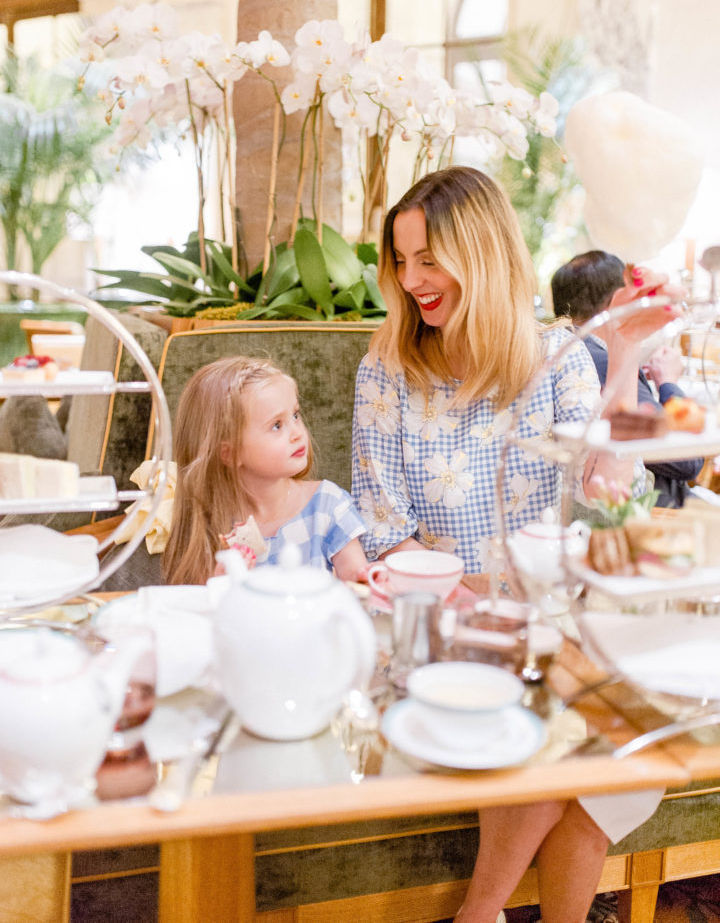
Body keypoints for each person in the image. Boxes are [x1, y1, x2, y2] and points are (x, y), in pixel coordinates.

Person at [351, 166, 682, 923]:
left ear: (484, 254)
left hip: (555, 608)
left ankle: (483, 916)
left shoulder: (559, 357)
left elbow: (606, 487)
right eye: (401, 261)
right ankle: (482, 916)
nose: (412, 281)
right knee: (577, 729)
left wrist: (626, 360)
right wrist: (483, 608)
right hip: (442, 615)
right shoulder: (386, 367)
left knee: (605, 731)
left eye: (429, 259)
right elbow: (382, 522)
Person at [163, 356, 368, 585]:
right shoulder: (212, 525)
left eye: (295, 415)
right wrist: (220, 583)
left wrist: (371, 579)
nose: (297, 433)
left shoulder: (328, 505)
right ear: (228, 453)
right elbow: (194, 608)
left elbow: (360, 584)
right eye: (277, 425)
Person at [551, 249, 703, 507]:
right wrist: (668, 383)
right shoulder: (601, 360)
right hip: (653, 517)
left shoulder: (565, 351)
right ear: (619, 300)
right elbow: (687, 461)